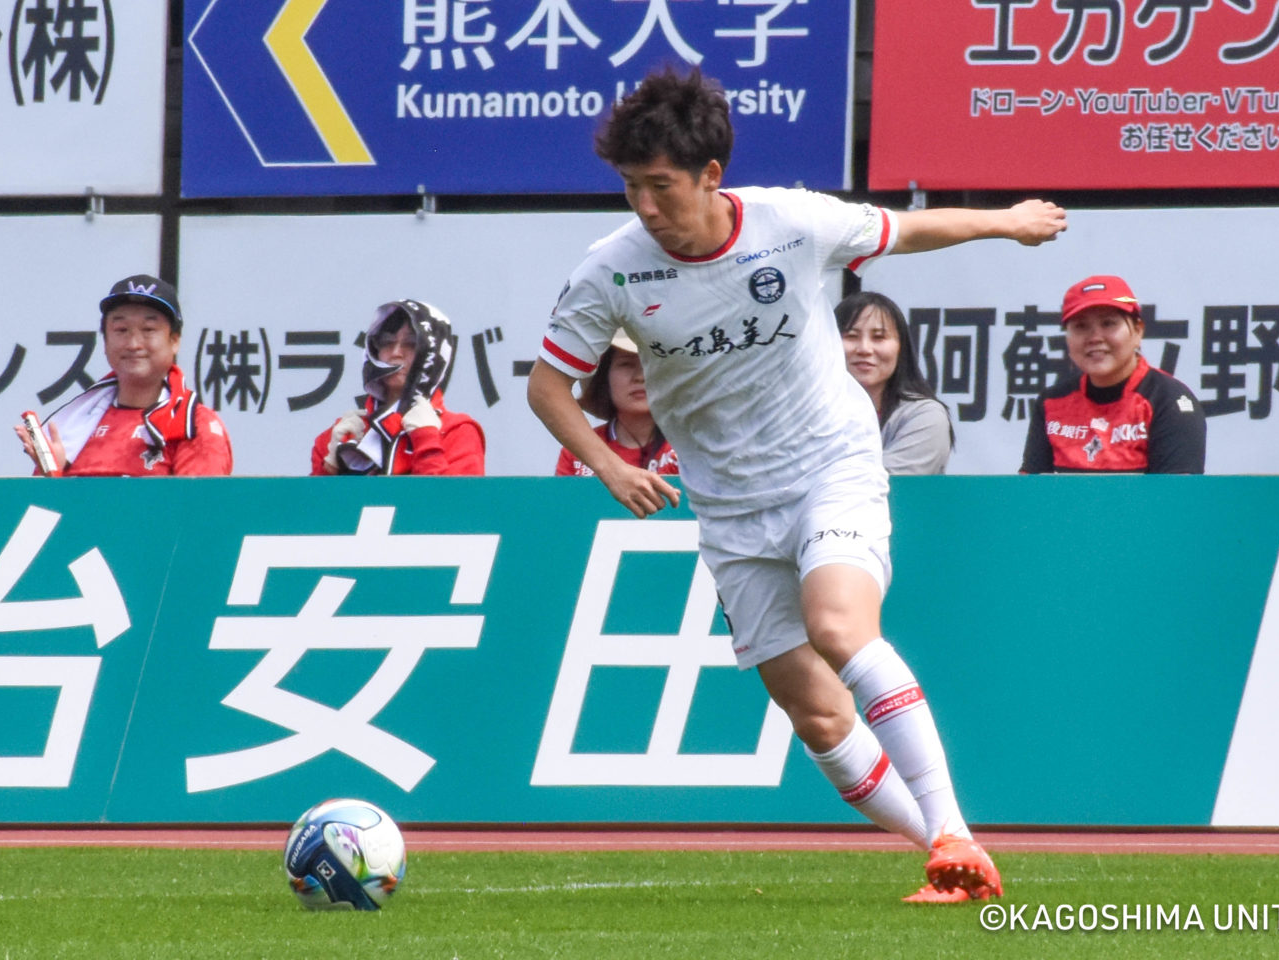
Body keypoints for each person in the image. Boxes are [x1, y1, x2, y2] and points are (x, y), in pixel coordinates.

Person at [527, 66, 1066, 903]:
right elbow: (547, 386)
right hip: (730, 509)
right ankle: (948, 855)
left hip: (829, 468)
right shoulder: (614, 269)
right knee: (815, 716)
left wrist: (1007, 222)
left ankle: (953, 830)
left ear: (711, 175)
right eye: (632, 186)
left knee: (839, 627)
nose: (645, 206)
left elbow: (907, 229)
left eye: (661, 186)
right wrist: (609, 463)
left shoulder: (791, 223)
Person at [14, 275, 233, 477]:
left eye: (148, 330)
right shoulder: (75, 424)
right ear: (105, 342)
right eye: (121, 330)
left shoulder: (194, 425)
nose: (134, 344)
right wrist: (52, 477)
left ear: (174, 340)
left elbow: (198, 505)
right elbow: (42, 505)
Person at [1021, 275, 1205, 474]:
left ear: (1138, 331)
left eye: (1108, 323)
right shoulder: (1051, 403)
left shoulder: (1168, 401)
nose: (1095, 338)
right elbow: (1030, 489)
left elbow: (1176, 492)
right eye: (1081, 326)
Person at [312, 299, 485, 476]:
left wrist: (426, 439)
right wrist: (329, 468)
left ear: (434, 353)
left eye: (411, 344)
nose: (396, 353)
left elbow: (455, 495)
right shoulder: (341, 435)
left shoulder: (457, 431)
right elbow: (308, 495)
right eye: (386, 342)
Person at [836, 291, 953, 475]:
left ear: (901, 347)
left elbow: (878, 483)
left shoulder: (924, 416)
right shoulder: (807, 411)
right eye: (851, 336)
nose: (864, 349)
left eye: (878, 337)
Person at [556, 328, 678, 477]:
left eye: (649, 364)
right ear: (604, 378)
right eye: (626, 364)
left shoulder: (693, 445)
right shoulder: (578, 451)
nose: (640, 377)